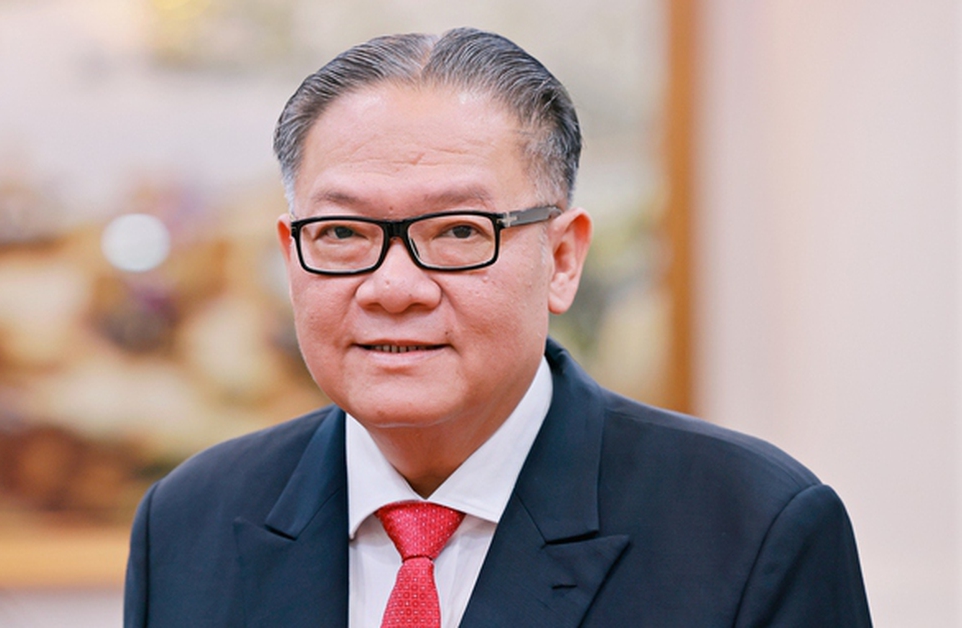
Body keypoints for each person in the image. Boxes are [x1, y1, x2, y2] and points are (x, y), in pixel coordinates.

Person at [124, 28, 871, 627]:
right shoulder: (189, 522)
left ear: (563, 258)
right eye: (343, 233)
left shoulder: (752, 528)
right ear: (292, 257)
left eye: (458, 231)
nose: (394, 288)